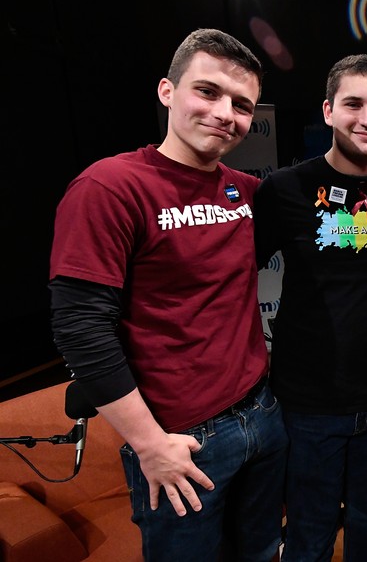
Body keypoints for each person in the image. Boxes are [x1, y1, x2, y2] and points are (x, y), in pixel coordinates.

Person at [48, 28, 289, 561]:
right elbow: (80, 329)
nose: (226, 113)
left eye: (242, 104)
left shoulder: (246, 190)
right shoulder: (110, 187)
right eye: (208, 92)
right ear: (167, 91)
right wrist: (150, 445)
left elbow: (323, 193)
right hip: (183, 442)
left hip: (263, 416)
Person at [254, 54, 367, 562]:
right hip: (309, 406)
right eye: (354, 104)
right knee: (310, 529)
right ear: (328, 111)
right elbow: (232, 281)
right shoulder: (282, 190)